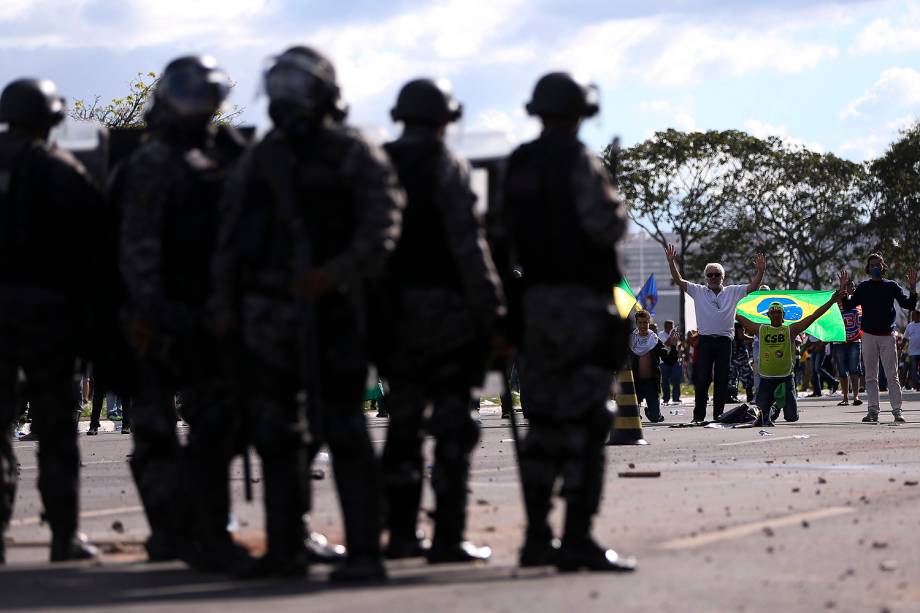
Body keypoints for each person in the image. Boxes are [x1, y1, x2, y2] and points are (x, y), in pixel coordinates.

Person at [213, 45, 405, 581]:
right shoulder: (262, 157)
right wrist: (226, 309)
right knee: (276, 435)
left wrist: (335, 274)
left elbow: (382, 227)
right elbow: (229, 240)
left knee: (344, 428)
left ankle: (365, 551)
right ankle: (285, 547)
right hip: (269, 316)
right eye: (278, 88)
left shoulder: (353, 152)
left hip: (336, 311)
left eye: (295, 89)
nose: (283, 100)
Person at [116, 55, 251, 570]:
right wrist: (150, 313)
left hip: (206, 312)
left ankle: (194, 529)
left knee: (218, 425)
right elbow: (139, 248)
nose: (200, 107)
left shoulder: (221, 156)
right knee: (156, 430)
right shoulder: (154, 162)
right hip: (160, 315)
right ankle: (178, 532)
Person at [498, 72, 636, 572]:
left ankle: (537, 536)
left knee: (544, 423)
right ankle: (576, 536)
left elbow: (499, 236)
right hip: (578, 305)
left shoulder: (518, 164)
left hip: (532, 305)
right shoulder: (578, 160)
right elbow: (605, 225)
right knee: (587, 418)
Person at [377, 78, 504, 564]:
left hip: (395, 316)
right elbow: (467, 243)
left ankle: (402, 532)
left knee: (404, 424)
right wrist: (492, 307)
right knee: (453, 424)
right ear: (444, 120)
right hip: (447, 316)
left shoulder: (380, 161)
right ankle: (447, 537)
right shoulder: (446, 164)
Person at [0, 77, 101, 562]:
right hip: (48, 319)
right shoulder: (60, 170)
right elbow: (91, 252)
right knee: (57, 432)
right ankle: (63, 535)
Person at [664, 246, 766, 422]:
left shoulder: (733, 291)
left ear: (722, 277)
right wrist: (671, 262)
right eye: (710, 275)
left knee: (722, 379)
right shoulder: (698, 291)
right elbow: (678, 280)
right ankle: (698, 416)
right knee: (702, 379)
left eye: (716, 274)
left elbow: (753, 286)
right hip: (704, 341)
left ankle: (718, 415)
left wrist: (761, 270)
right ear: (706, 278)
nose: (713, 278)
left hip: (725, 342)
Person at [735, 293, 840, 425]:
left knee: (792, 417)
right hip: (766, 378)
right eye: (772, 312)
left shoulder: (790, 330)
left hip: (785, 378)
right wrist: (727, 305)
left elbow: (813, 316)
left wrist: (832, 301)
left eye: (779, 312)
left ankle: (776, 405)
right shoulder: (761, 329)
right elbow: (739, 317)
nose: (776, 314)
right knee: (760, 415)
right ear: (768, 315)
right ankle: (773, 407)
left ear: (783, 315)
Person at [839, 255, 917, 423]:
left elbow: (909, 305)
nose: (875, 267)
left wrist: (912, 286)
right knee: (870, 376)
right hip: (868, 337)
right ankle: (873, 411)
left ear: (883, 266)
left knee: (892, 375)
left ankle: (897, 411)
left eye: (878, 264)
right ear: (868, 268)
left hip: (887, 337)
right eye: (872, 265)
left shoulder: (891, 286)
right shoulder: (864, 287)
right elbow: (847, 306)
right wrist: (843, 288)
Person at [629, 311, 667, 422]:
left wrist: (674, 347)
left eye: (645, 323)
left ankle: (651, 411)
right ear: (636, 323)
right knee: (632, 419)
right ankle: (636, 413)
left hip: (651, 383)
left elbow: (669, 360)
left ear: (649, 323)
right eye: (640, 323)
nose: (642, 326)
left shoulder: (655, 340)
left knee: (655, 418)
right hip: (635, 382)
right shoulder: (631, 340)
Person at [833, 281, 863, 406]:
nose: (852, 288)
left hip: (855, 340)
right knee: (842, 370)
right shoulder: (835, 303)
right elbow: (832, 320)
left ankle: (856, 396)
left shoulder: (859, 303)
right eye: (849, 286)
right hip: (839, 341)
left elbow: (861, 321)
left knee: (854, 369)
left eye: (853, 286)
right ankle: (845, 397)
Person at [727, 322, 754, 403]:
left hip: (734, 355)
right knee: (746, 376)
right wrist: (753, 339)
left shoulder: (730, 324)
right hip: (739, 356)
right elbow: (741, 336)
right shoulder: (738, 325)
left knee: (734, 377)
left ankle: (732, 396)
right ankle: (732, 396)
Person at [658, 320, 682, 406]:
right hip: (664, 360)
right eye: (669, 327)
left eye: (672, 327)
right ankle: (666, 398)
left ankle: (676, 398)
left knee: (676, 379)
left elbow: (677, 346)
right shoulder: (661, 334)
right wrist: (671, 337)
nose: (671, 328)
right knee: (664, 381)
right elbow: (666, 344)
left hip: (674, 360)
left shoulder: (675, 334)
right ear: (665, 326)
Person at [904, 311, 920, 390]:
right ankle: (918, 384)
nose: (913, 317)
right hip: (912, 352)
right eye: (912, 316)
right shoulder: (909, 326)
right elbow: (905, 338)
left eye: (915, 315)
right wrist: (901, 349)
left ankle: (917, 384)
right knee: (913, 370)